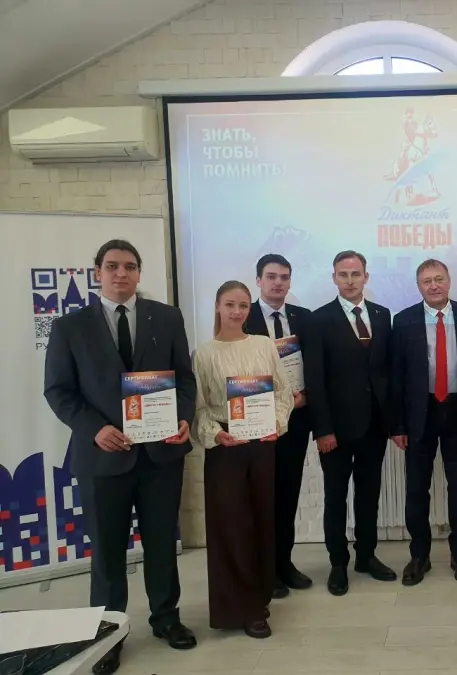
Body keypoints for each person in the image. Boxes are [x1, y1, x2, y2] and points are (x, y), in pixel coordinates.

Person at [43, 239, 197, 674]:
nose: (121, 273)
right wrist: (96, 429)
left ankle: (166, 618)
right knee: (108, 553)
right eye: (112, 266)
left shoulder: (166, 318)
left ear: (139, 273)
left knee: (162, 544)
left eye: (129, 266)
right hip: (102, 458)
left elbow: (184, 380)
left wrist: (183, 418)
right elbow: (58, 391)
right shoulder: (69, 327)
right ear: (97, 273)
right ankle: (107, 634)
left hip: (161, 455)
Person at [191, 280, 294, 639]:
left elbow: (283, 392)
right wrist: (214, 434)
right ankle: (239, 608)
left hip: (262, 444)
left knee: (262, 520)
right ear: (218, 307)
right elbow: (199, 406)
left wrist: (277, 423)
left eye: (243, 306)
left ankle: (258, 599)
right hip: (226, 447)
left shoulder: (264, 345)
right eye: (230, 305)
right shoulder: (203, 354)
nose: (237, 312)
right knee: (231, 528)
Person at [304, 250, 397, 596]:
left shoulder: (382, 315)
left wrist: (393, 422)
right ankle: (338, 563)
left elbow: (386, 372)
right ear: (334, 278)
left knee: (369, 495)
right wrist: (323, 429)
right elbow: (315, 379)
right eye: (343, 274)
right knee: (336, 497)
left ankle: (366, 556)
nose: (350, 280)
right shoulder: (319, 319)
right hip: (336, 430)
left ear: (366, 277)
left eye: (356, 274)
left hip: (374, 425)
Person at [390, 259, 457, 586]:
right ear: (419, 286)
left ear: (449, 280)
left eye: (439, 278)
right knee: (417, 489)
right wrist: (397, 425)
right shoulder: (403, 320)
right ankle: (419, 556)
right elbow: (397, 376)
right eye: (427, 281)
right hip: (420, 414)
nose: (434, 285)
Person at [244, 254, 317, 599]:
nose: (278, 283)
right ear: (258, 280)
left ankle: (284, 564)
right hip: (257, 423)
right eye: (271, 276)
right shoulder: (244, 316)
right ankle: (264, 570)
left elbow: (315, 365)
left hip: (295, 422)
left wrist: (306, 395)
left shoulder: (304, 318)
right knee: (261, 498)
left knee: (288, 496)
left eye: (284, 277)